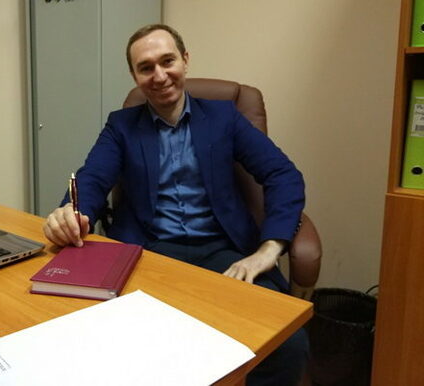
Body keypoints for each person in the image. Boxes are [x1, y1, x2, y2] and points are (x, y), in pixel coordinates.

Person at [43, 24, 308, 385]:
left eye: (167, 61)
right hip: (149, 255)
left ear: (185, 60)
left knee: (289, 344)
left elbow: (283, 175)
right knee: (105, 339)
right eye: (146, 67)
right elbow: (91, 179)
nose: (159, 75)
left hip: (224, 254)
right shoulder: (122, 126)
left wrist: (269, 249)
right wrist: (72, 214)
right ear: (135, 77)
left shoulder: (223, 117)